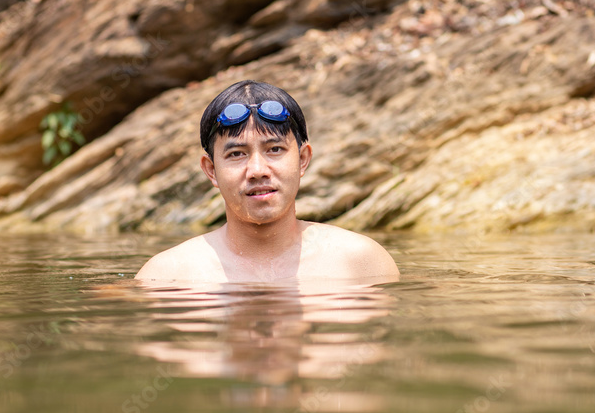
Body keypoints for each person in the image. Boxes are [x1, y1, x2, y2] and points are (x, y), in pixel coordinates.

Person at [135, 80, 399, 284]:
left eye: (275, 149)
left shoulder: (362, 263)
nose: (257, 170)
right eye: (236, 154)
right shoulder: (167, 277)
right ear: (211, 170)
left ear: (303, 159)